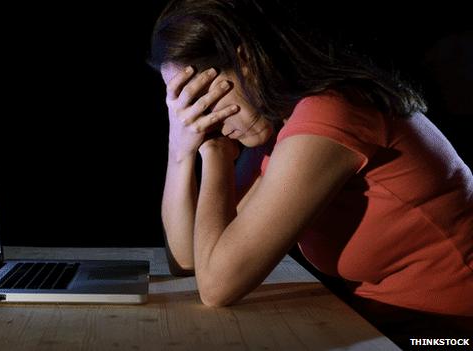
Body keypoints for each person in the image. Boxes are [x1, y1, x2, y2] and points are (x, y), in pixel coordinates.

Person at [148, 0, 473, 342]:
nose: (199, 117)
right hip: (390, 325)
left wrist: (213, 153)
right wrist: (182, 148)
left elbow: (217, 285)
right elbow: (189, 263)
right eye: (187, 107)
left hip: (453, 328)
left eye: (202, 98)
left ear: (245, 61)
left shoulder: (331, 113)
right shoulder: (279, 128)